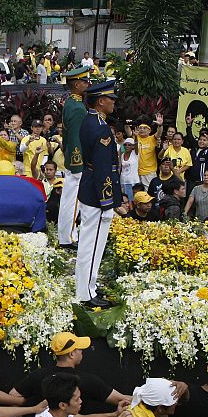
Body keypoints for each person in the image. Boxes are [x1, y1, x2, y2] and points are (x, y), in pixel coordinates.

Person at [75, 81, 122, 308]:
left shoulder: (91, 120)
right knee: (92, 245)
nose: (113, 102)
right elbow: (103, 167)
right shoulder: (100, 127)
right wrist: (108, 201)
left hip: (90, 186)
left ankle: (89, 286)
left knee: (89, 243)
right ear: (100, 101)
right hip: (97, 192)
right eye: (110, 98)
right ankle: (86, 293)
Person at [57, 67, 91, 248]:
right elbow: (77, 138)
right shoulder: (77, 108)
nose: (87, 84)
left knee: (69, 199)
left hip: (70, 156)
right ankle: (67, 238)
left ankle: (67, 235)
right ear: (76, 84)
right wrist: (78, 163)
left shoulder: (71, 102)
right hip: (76, 162)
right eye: (84, 81)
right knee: (73, 201)